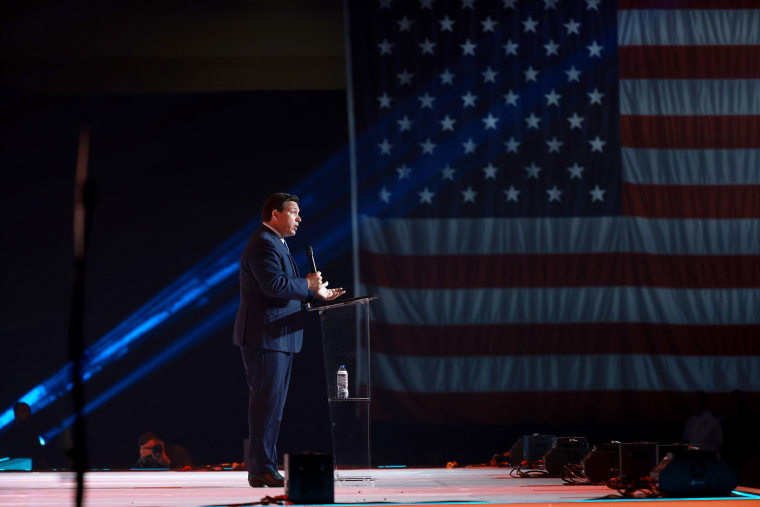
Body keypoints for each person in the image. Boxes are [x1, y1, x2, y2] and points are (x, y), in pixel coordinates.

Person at [233, 192, 344, 488]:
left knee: (273, 406)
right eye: (293, 212)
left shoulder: (277, 243)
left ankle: (264, 467)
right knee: (266, 404)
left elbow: (285, 290)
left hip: (279, 335)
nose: (299, 219)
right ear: (274, 215)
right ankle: (261, 469)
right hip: (265, 336)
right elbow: (274, 287)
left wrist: (314, 294)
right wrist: (307, 284)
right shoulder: (263, 243)